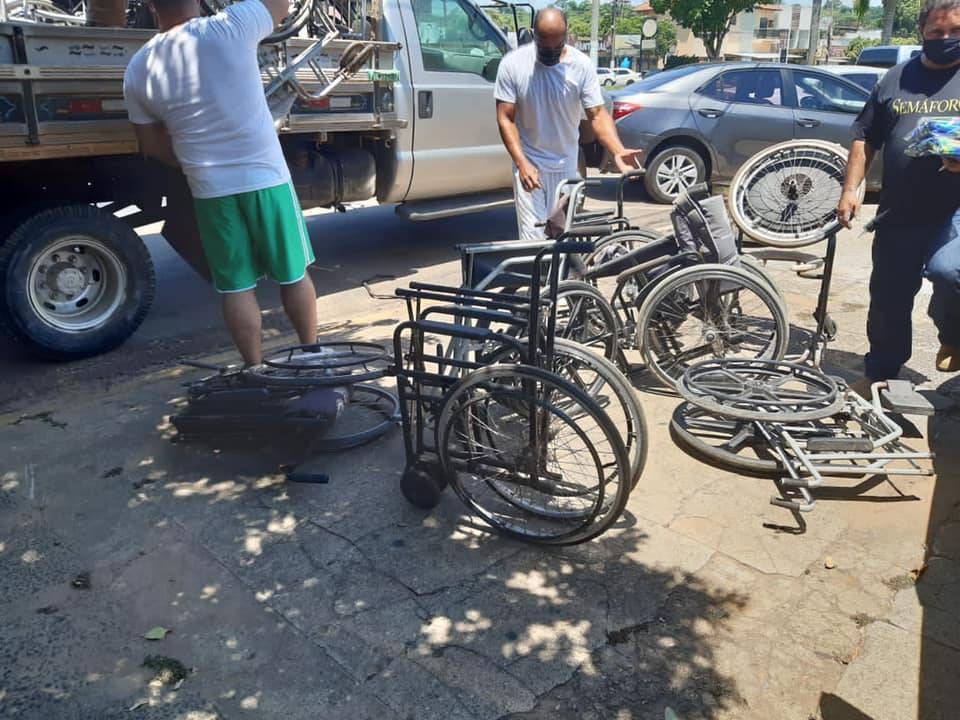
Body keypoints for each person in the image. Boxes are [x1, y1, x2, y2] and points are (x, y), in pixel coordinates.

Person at [123, 0, 318, 366]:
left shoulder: (139, 67)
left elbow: (150, 145)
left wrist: (189, 161)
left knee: (236, 287)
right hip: (267, 180)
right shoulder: (232, 26)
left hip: (210, 189)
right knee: (293, 275)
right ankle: (312, 354)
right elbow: (283, 5)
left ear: (151, 6)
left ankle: (254, 368)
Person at [838, 0, 960, 388]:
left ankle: (955, 337)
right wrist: (850, 189)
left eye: (956, 32)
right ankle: (882, 373)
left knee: (949, 271)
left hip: (954, 210)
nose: (946, 38)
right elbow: (864, 138)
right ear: (922, 32)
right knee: (889, 297)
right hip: (899, 211)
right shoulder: (895, 78)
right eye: (937, 32)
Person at [494, 7, 640, 241]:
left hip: (567, 167)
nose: (551, 52)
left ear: (566, 36)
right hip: (531, 166)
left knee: (564, 239)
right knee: (535, 242)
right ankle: (538, 265)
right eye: (544, 47)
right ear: (534, 34)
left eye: (557, 46)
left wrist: (617, 150)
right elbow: (505, 118)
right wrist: (521, 163)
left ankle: (563, 267)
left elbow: (597, 114)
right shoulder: (513, 65)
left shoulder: (581, 65)